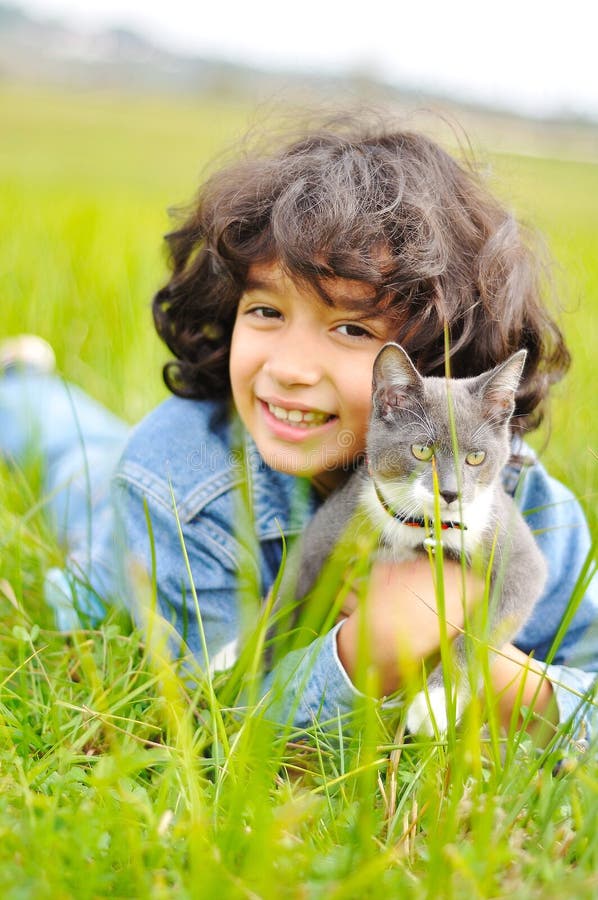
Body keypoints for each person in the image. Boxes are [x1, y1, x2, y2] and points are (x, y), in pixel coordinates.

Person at [1, 113, 596, 742]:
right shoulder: (176, 483)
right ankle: (21, 386)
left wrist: (498, 676)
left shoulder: (522, 499)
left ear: (444, 363)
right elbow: (216, 716)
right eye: (265, 310)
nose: (287, 368)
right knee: (78, 465)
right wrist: (371, 649)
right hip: (139, 506)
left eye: (351, 329)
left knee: (90, 451)